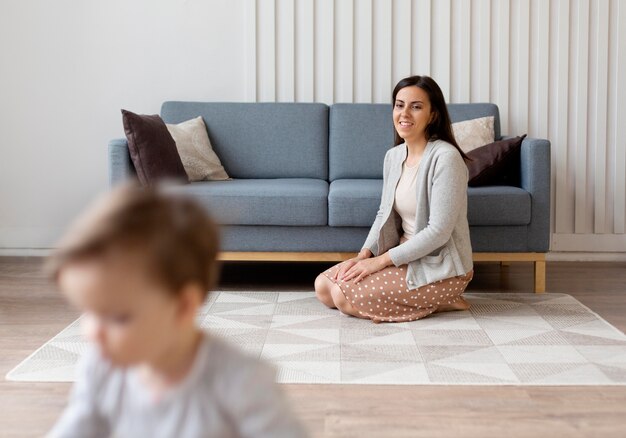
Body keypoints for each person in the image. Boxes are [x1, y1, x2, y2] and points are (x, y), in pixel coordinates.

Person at [46, 184, 307, 438]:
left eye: (117, 317)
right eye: (87, 313)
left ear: (183, 306)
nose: (92, 333)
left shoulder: (242, 381)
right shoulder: (101, 368)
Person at [315, 75, 474, 324]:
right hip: (403, 256)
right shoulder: (394, 156)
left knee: (343, 296)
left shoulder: (446, 158)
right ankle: (428, 301)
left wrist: (379, 263)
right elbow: (383, 213)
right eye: (399, 105)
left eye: (416, 106)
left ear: (433, 115)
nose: (405, 113)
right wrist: (364, 255)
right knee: (324, 287)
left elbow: (439, 232)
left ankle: (445, 298)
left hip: (440, 268)